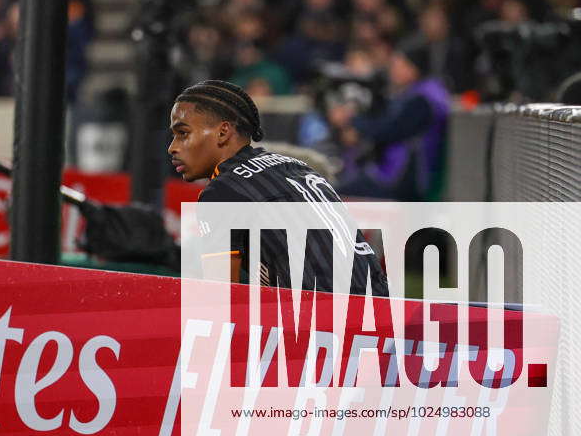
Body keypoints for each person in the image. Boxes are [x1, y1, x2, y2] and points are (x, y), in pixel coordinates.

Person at [167, 80, 386, 293]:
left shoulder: (223, 191)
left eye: (183, 133)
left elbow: (221, 299)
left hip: (323, 319)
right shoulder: (297, 165)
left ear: (223, 132)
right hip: (383, 309)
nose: (172, 148)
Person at [331, 39, 450, 201]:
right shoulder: (422, 91)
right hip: (402, 175)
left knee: (333, 193)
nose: (392, 70)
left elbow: (389, 129)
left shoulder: (422, 100)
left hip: (404, 180)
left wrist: (351, 120)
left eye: (397, 65)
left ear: (412, 67)